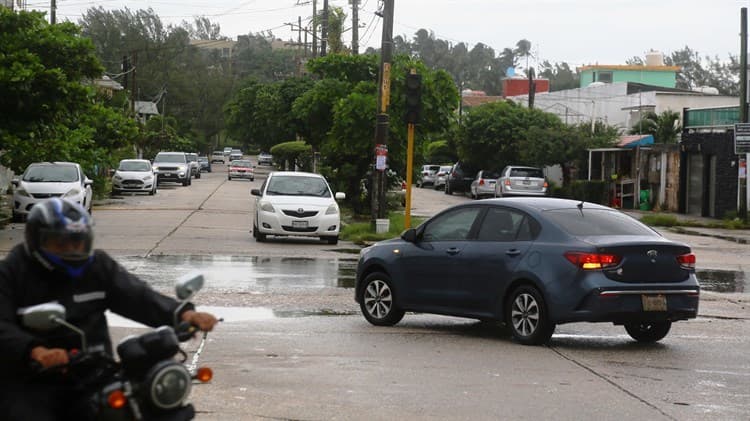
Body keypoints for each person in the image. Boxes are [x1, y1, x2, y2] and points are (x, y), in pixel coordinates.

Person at [0, 198, 218, 420]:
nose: (72, 249)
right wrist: (34, 350)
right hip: (32, 379)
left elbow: (136, 295)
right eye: (61, 243)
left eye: (78, 242)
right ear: (37, 240)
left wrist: (184, 314)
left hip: (94, 370)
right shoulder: (13, 272)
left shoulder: (96, 266)